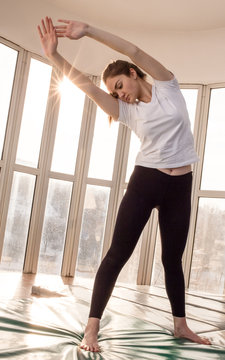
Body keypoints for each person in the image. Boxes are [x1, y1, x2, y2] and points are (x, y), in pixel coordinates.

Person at [37, 17, 212, 352]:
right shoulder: (126, 111)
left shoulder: (166, 85)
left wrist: (87, 31)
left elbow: (132, 49)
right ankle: (91, 329)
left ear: (132, 73)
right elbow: (86, 88)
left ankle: (180, 325)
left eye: (119, 84)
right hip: (146, 181)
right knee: (118, 253)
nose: (119, 94)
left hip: (181, 184)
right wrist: (55, 58)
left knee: (172, 258)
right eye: (114, 92)